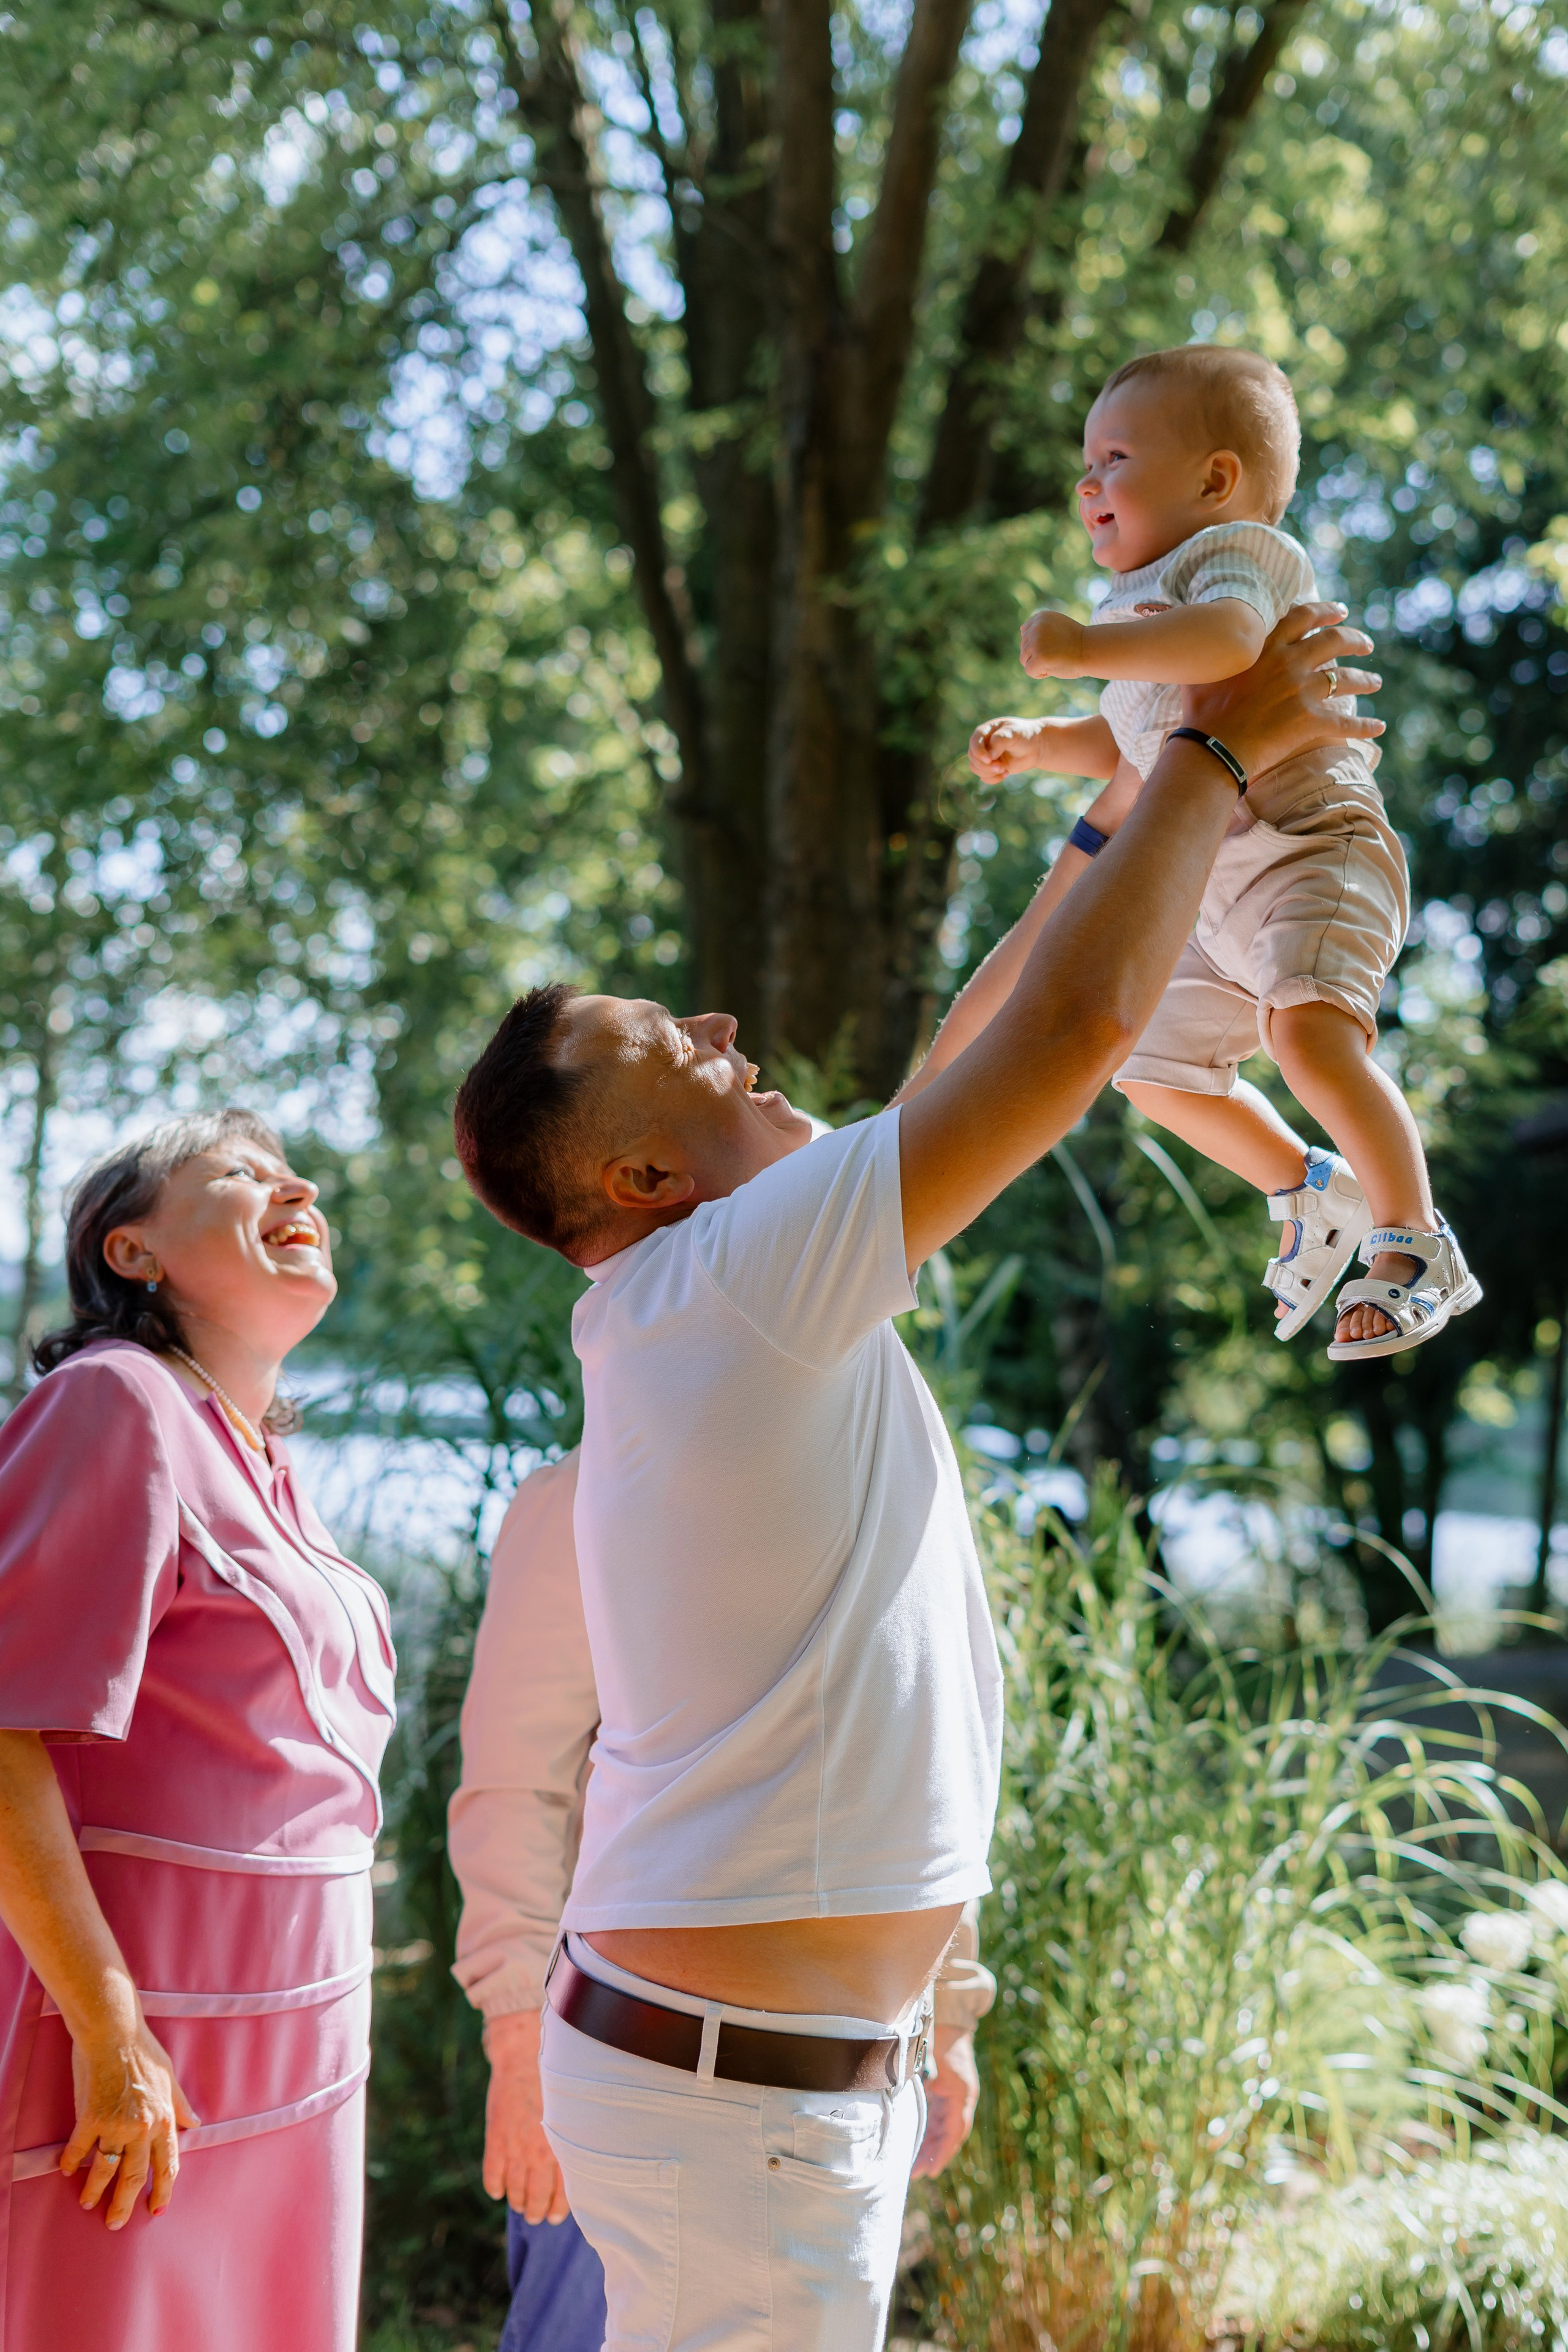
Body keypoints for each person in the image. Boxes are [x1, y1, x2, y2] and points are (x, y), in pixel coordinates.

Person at [445, 603, 1382, 2351]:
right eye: (671, 1039)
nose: (721, 1018)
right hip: (741, 2106)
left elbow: (971, 1050)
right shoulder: (726, 1285)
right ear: (643, 1176)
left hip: (762, 2091)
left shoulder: (709, 1290)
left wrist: (1117, 803)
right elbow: (1072, 1035)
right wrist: (1215, 749)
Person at [968, 345, 1477, 1362]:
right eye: (1087, 464)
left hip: (1312, 852)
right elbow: (1137, 738)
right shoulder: (1144, 609)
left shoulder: (1236, 556)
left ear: (1214, 480)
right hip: (1218, 894)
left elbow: (1232, 645)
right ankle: (1307, 1183)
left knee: (1311, 1042)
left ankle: (1417, 1240)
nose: (1088, 484)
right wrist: (1043, 741)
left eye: (1115, 459)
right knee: (1152, 1071)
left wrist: (1083, 649)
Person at [447, 1449, 996, 2350]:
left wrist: (954, 2017)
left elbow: (932, 1781)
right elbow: (516, 1788)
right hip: (629, 2065)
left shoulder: (884, 1484)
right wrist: (516, 2042)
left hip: (841, 2098)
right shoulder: (588, 1493)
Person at [0, 1110, 395, 2352]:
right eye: (239, 1174)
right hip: (140, 2065)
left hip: (298, 2059)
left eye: (295, 1172)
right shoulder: (113, 1400)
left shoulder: (267, 1463)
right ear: (133, 1252)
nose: (299, 1186)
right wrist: (111, 2033)